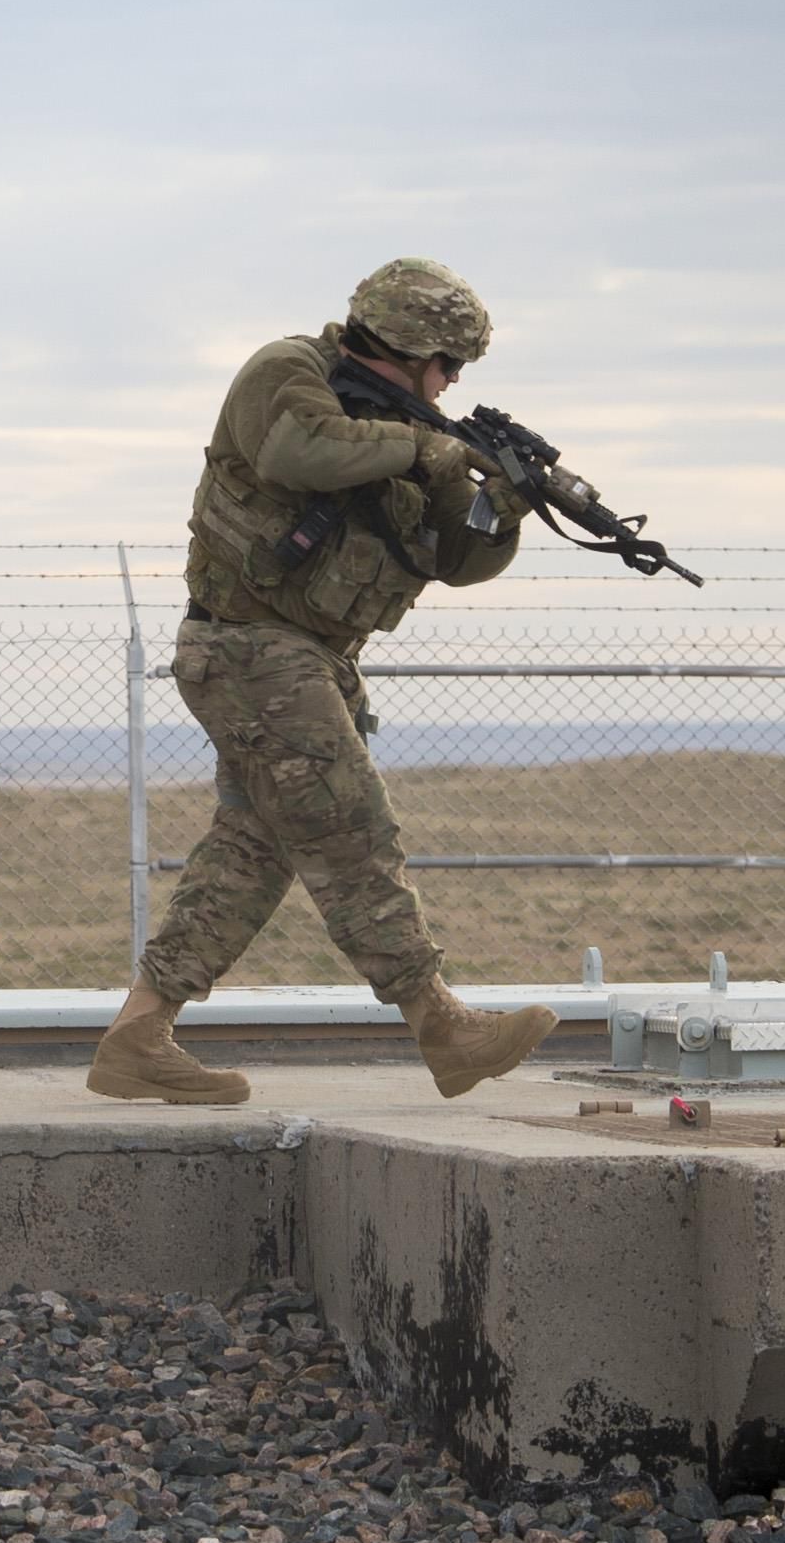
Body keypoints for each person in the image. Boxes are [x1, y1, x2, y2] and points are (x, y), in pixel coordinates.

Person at [93, 258, 562, 1107]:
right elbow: (299, 449)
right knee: (351, 830)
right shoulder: (290, 375)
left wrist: (497, 501)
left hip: (311, 662)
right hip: (249, 649)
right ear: (411, 346)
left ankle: (137, 1036)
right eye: (447, 366)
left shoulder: (411, 431)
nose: (451, 385)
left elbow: (458, 561)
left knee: (253, 851)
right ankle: (441, 1025)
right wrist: (427, 447)